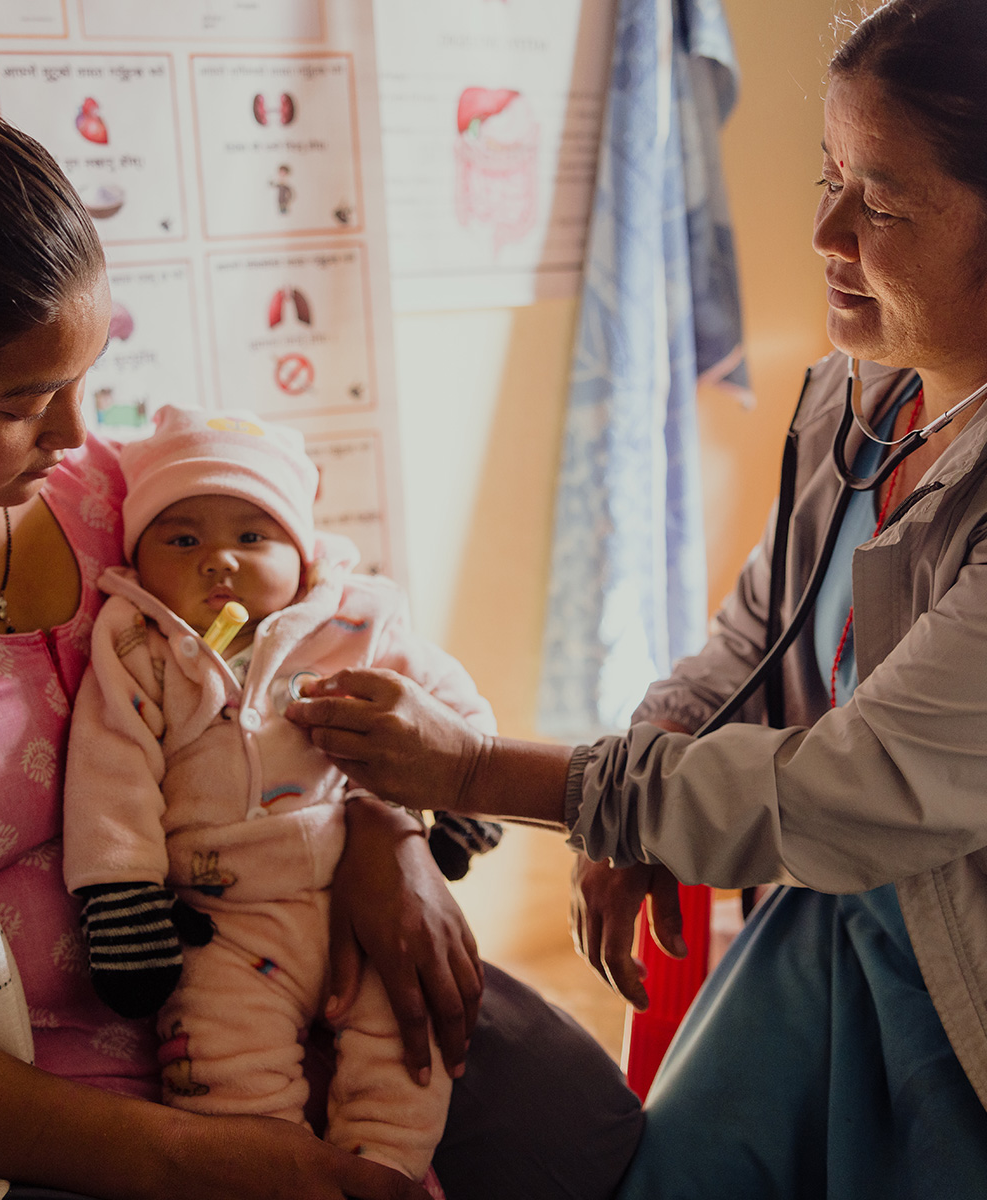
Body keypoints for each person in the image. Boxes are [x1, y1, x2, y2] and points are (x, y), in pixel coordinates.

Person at [0, 6, 643, 1200]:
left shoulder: (121, 499)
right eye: (23, 401)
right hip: (63, 1105)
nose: (83, 435)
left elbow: (326, 630)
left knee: (587, 1135)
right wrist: (190, 1158)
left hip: (301, 946)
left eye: (90, 381)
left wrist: (382, 835)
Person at [287, 0, 987, 1195]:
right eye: (827, 174)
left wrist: (479, 775)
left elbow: (849, 786)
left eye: (881, 203)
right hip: (831, 926)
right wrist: (656, 750)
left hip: (953, 970)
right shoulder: (856, 403)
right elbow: (757, 640)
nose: (821, 229)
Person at [61, 405, 503, 1188]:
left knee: (409, 1048)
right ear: (138, 551)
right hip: (221, 922)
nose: (218, 562)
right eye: (183, 538)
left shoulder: (356, 620)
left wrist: (464, 790)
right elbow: (111, 773)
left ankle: (388, 1172)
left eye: (251, 537)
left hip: (354, 901)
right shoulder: (139, 643)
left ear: (301, 552)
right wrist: (121, 896)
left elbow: (444, 699)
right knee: (222, 1073)